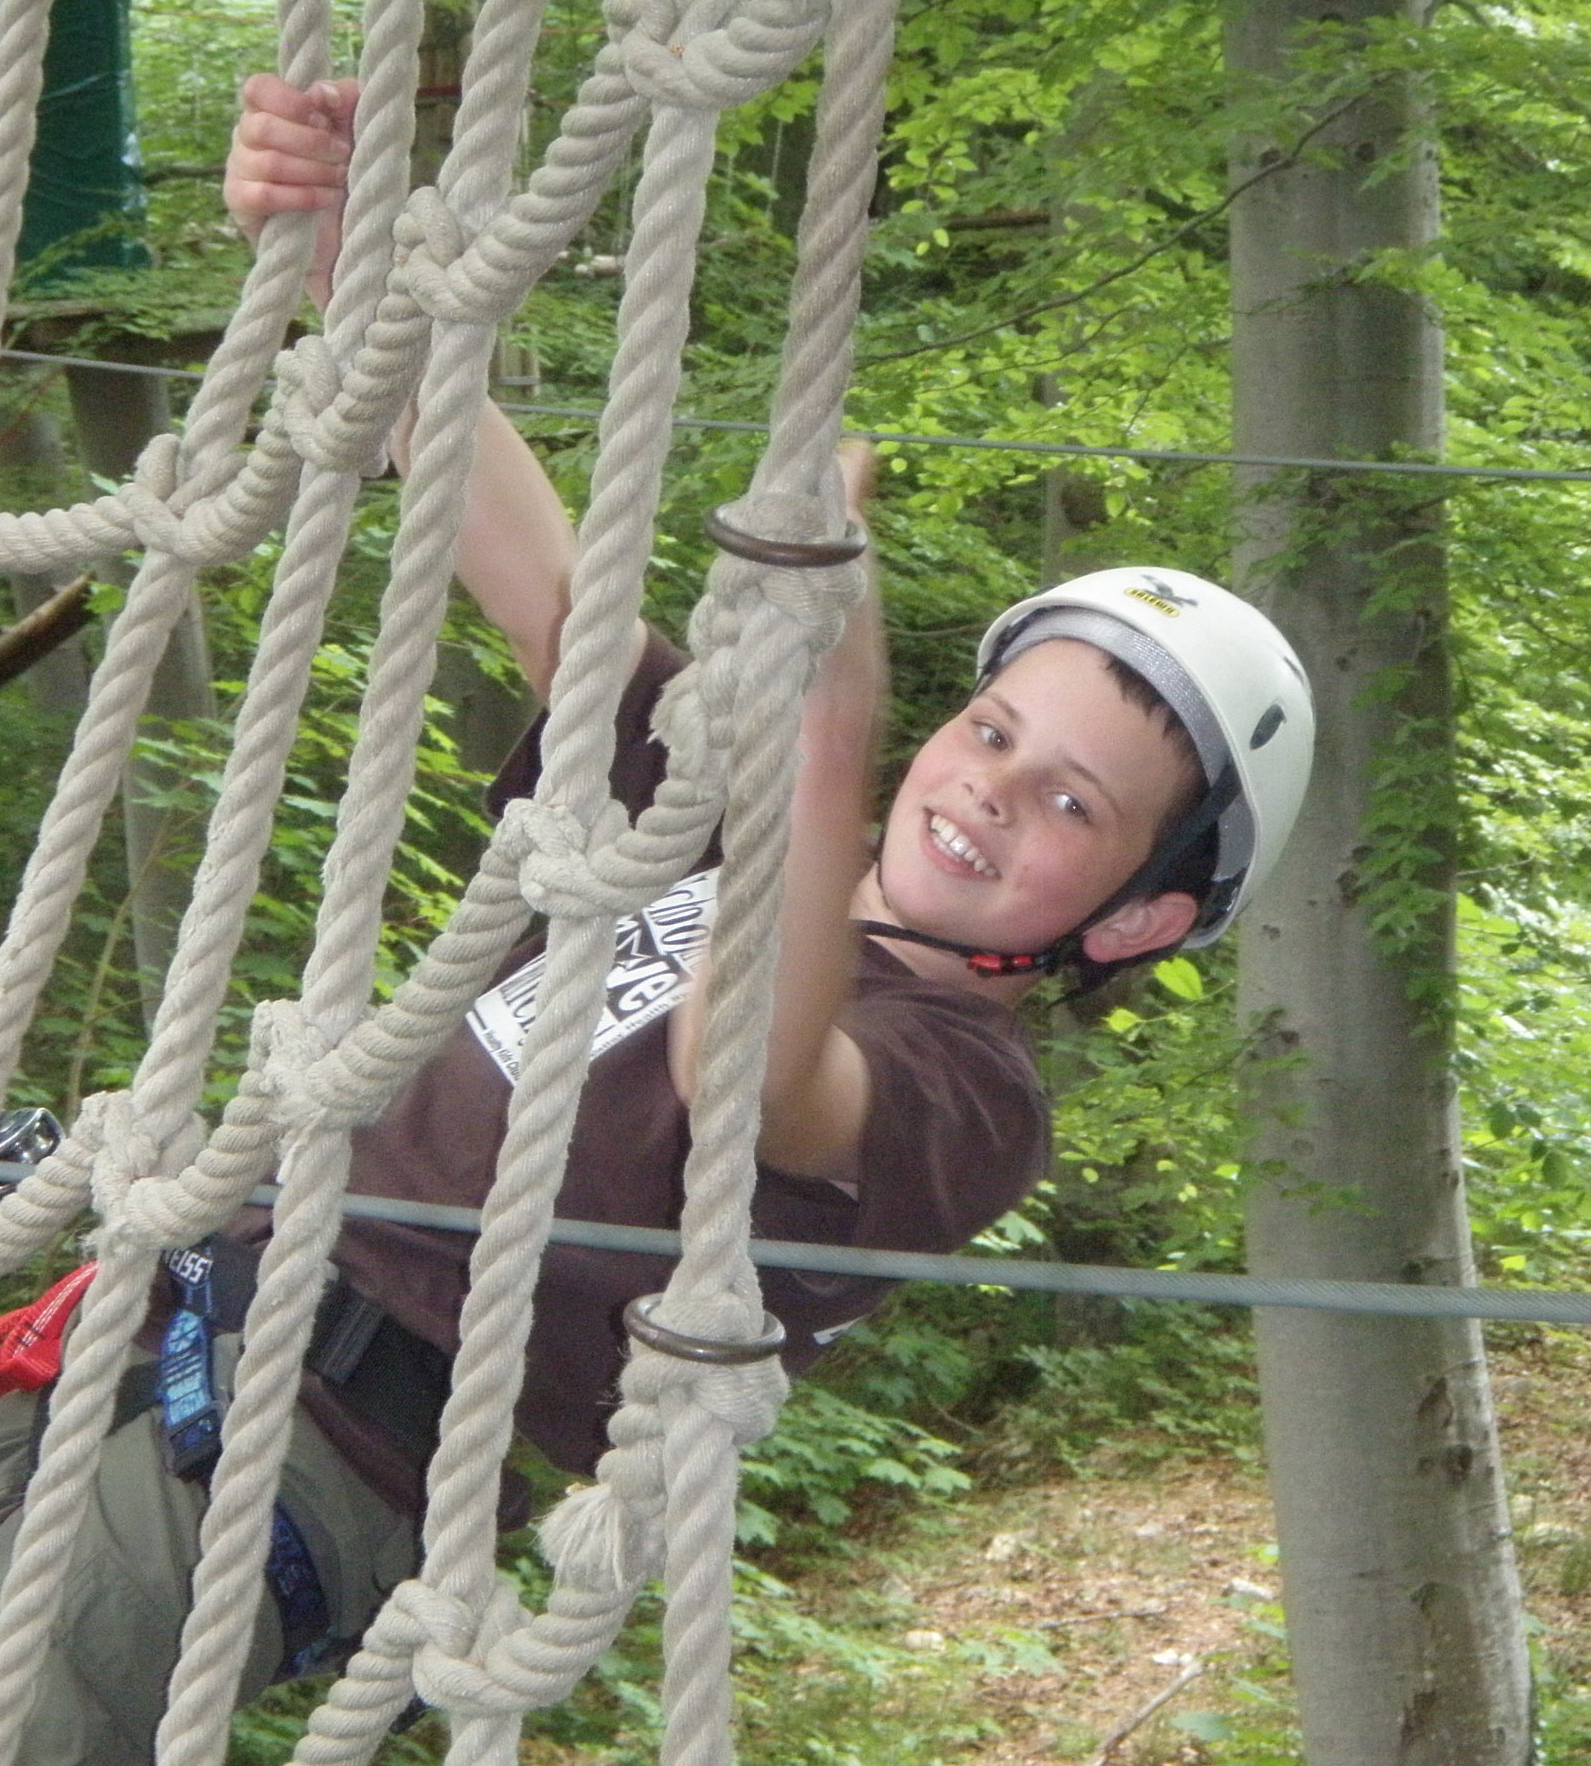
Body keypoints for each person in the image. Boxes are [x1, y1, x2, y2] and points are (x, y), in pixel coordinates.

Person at [0, 74, 1315, 1763]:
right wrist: (352, 251)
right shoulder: (699, 811)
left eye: (1073, 801)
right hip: (169, 1288)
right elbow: (531, 560)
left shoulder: (965, 1092)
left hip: (311, 1448)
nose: (992, 787)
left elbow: (745, 1072)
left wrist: (823, 733)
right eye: (993, 730)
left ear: (1130, 922)